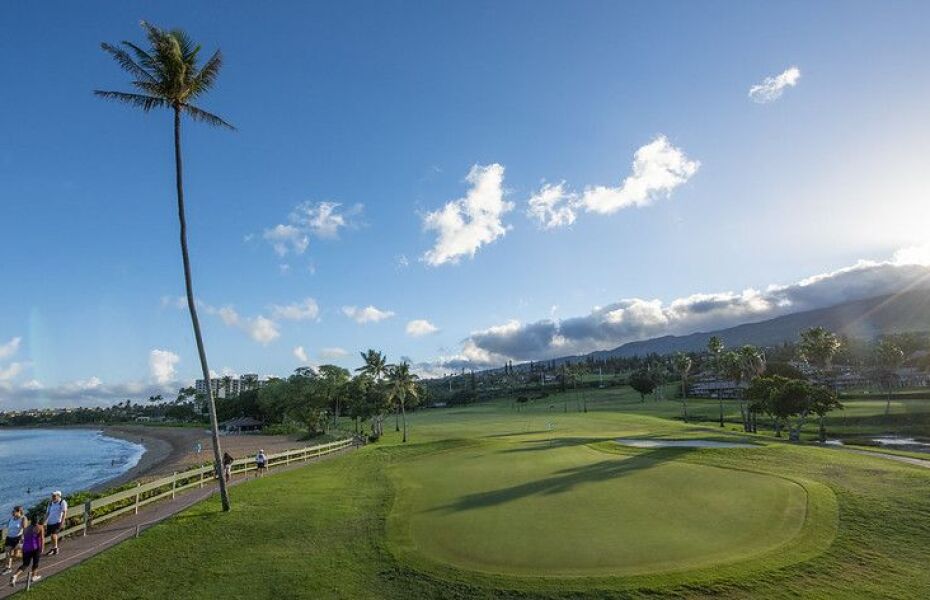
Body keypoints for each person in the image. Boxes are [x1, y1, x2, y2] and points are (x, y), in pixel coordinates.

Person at [10, 519, 43, 587]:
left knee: (25, 564)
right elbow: (42, 538)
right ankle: (34, 577)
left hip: (26, 548)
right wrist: (42, 548)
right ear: (38, 521)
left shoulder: (26, 528)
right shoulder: (40, 527)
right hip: (35, 548)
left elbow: (23, 539)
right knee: (35, 563)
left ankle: (15, 576)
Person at [3, 507, 26, 575]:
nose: (12, 512)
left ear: (19, 511)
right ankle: (8, 568)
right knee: (7, 553)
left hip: (18, 538)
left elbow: (25, 529)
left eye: (14, 511)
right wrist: (5, 536)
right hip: (9, 538)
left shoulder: (23, 518)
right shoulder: (11, 519)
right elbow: (8, 528)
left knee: (16, 555)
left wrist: (22, 538)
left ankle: (27, 556)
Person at [44, 491, 67, 556]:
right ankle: (53, 548)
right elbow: (47, 513)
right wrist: (45, 522)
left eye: (54, 496)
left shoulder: (62, 502)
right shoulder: (50, 503)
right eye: (52, 496)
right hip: (50, 522)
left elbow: (64, 513)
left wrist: (62, 522)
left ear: (58, 496)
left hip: (57, 522)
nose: (53, 497)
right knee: (52, 536)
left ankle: (55, 549)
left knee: (53, 535)